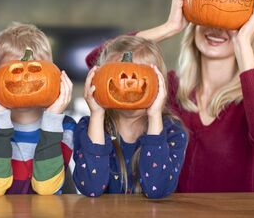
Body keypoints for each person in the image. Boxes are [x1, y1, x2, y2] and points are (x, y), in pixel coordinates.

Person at [86, 0, 254, 192]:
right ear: (194, 27)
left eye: (229, 21)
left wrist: (243, 44)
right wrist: (169, 27)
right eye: (207, 17)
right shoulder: (166, 88)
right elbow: (99, 64)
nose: (216, 28)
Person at [74, 35, 187, 198]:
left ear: (159, 84)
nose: (128, 87)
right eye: (120, 75)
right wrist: (97, 115)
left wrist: (155, 116)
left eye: (138, 76)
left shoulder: (172, 132)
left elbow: (157, 190)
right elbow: (92, 188)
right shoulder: (89, 127)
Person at [0, 23, 76, 195]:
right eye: (15, 69)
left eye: (35, 69)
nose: (25, 78)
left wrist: (52, 118)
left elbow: (46, 188)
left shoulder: (64, 127)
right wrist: (0, 119)